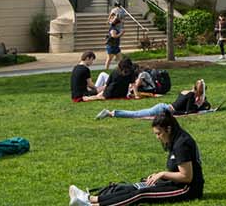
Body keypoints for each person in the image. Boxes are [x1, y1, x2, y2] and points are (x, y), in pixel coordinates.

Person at [67, 112, 203, 206]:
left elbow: (187, 177)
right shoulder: (175, 138)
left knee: (141, 194)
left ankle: (92, 204)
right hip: (176, 183)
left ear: (168, 129)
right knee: (139, 186)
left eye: (159, 133)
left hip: (187, 189)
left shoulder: (182, 144)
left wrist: (163, 174)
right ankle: (90, 198)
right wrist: (158, 176)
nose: (157, 137)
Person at [97, 80, 210, 119]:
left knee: (138, 113)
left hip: (163, 107)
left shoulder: (186, 92)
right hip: (163, 110)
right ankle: (112, 113)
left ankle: (113, 113)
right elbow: (188, 111)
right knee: (137, 114)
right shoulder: (191, 95)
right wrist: (199, 106)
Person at [105, 5, 126, 71]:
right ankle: (106, 70)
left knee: (120, 59)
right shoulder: (113, 29)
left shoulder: (115, 27)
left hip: (115, 46)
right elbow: (114, 36)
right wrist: (121, 34)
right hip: (111, 46)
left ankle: (121, 69)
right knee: (109, 59)